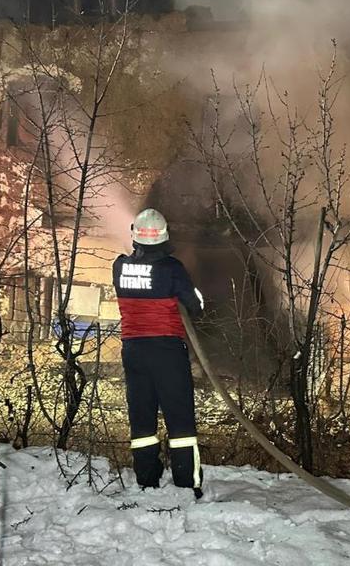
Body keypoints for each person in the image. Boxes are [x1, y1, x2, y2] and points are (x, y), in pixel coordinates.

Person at [113, 208, 205, 498]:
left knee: (141, 416)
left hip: (134, 352)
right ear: (164, 236)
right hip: (167, 351)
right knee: (180, 419)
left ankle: (146, 480)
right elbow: (196, 306)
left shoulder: (120, 267)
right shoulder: (171, 269)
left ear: (135, 235)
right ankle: (187, 483)